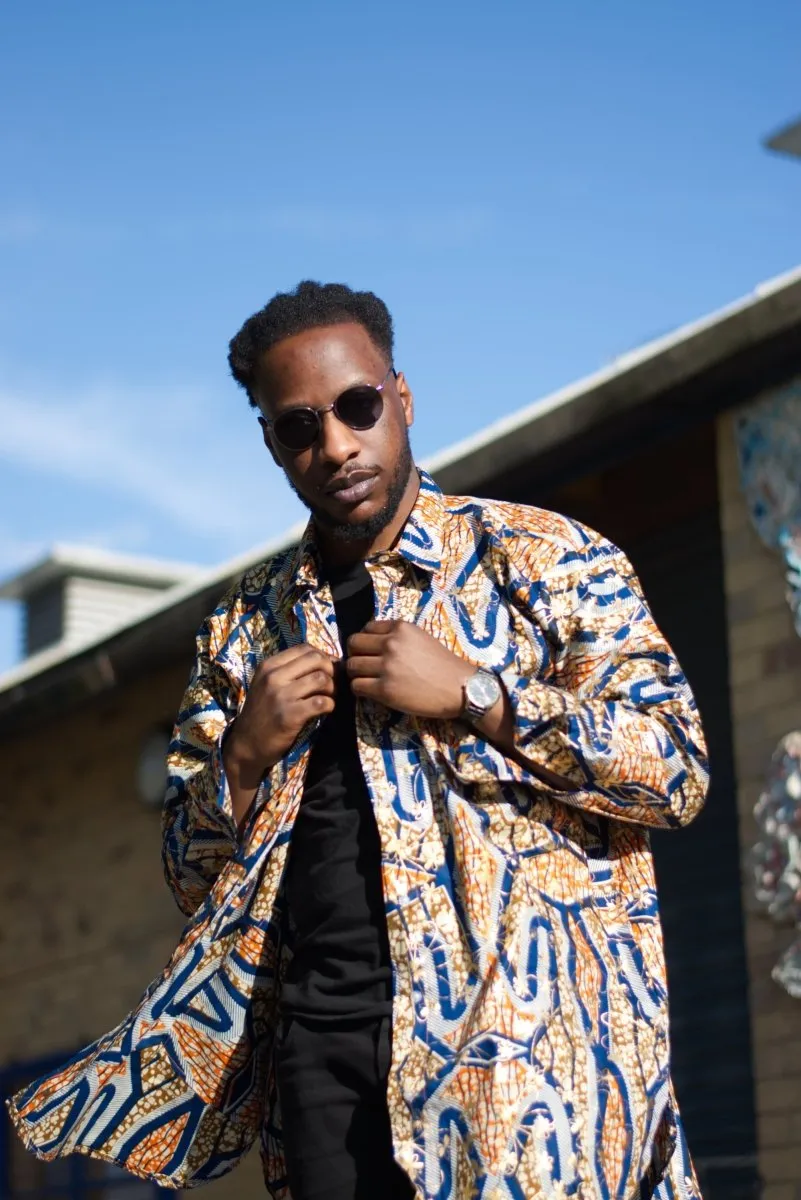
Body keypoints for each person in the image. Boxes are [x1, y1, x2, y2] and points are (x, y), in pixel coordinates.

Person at [9, 282, 708, 1200]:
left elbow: (676, 770)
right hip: (322, 1060)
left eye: (356, 407)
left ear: (401, 398)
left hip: (521, 1057)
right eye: (298, 426)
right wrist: (244, 758)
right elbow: (190, 875)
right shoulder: (242, 628)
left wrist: (477, 693)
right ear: (270, 441)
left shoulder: (543, 559)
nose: (334, 445)